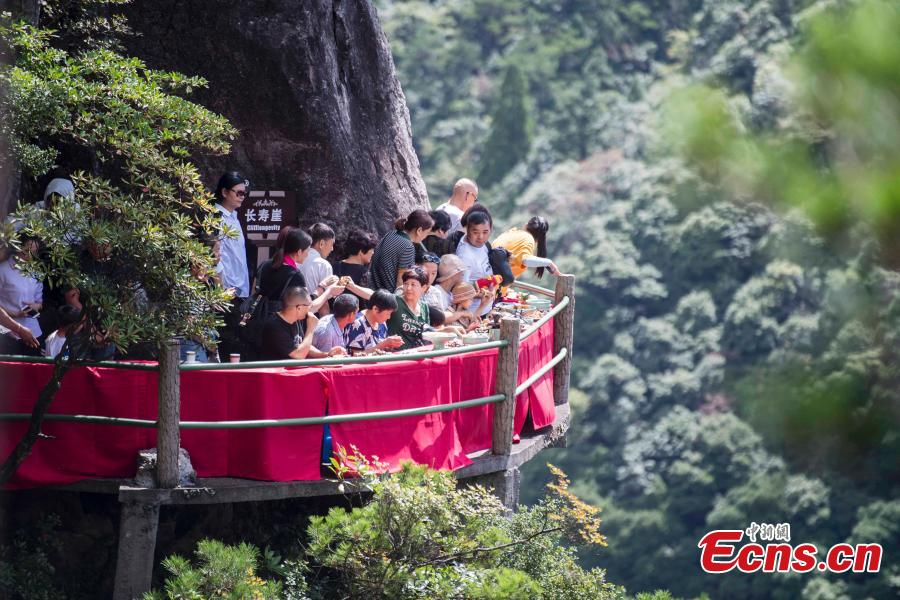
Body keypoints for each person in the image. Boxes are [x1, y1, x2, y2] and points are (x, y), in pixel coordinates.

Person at [214, 172, 251, 357]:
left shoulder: (234, 216)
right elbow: (213, 256)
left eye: (244, 193)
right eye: (238, 193)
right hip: (225, 290)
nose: (242, 197)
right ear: (224, 192)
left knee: (237, 340)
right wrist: (220, 288)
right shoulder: (215, 217)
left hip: (240, 290)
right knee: (226, 341)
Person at [259, 287, 345, 360]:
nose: (310, 309)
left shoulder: (297, 319)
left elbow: (303, 346)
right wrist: (310, 329)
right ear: (299, 308)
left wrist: (327, 355)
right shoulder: (274, 326)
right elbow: (298, 355)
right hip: (274, 375)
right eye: (308, 305)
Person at [369, 209, 434, 291]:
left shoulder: (391, 234)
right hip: (389, 295)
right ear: (419, 230)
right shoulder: (408, 246)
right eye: (427, 233)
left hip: (373, 287)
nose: (426, 236)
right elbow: (402, 280)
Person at [0, 236, 43, 355]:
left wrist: (36, 306)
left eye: (34, 251)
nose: (30, 254)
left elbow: (39, 301)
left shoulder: (36, 272)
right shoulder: (3, 269)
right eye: (28, 249)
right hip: (6, 331)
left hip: (32, 328)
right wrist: (14, 313)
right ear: (18, 247)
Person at [454, 209, 496, 317]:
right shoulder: (465, 256)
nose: (481, 237)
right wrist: (485, 293)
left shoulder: (484, 245)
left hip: (487, 308)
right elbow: (461, 292)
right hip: (472, 314)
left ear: (491, 229)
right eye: (475, 232)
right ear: (467, 230)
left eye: (485, 232)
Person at [493, 216, 559, 279]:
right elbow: (526, 260)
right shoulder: (528, 239)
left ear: (526, 225)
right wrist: (549, 263)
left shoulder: (511, 233)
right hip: (490, 286)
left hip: (487, 279)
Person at [345, 289, 403, 354]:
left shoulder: (382, 322)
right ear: (375, 309)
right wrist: (383, 345)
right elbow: (355, 355)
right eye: (387, 313)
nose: (389, 317)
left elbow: (381, 348)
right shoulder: (357, 324)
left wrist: (390, 344)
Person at [387, 267, 431, 350]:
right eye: (406, 284)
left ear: (424, 288)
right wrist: (353, 287)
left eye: (413, 284)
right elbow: (373, 296)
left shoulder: (424, 307)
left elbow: (426, 335)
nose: (408, 288)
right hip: (394, 356)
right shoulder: (395, 301)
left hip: (415, 356)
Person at [334, 228, 377, 307]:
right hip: (356, 315)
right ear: (361, 252)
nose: (373, 252)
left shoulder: (335, 266)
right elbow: (373, 296)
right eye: (372, 250)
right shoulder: (364, 272)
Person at [302, 222, 336, 296]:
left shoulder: (296, 260)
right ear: (321, 244)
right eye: (332, 244)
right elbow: (326, 296)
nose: (332, 249)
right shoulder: (324, 265)